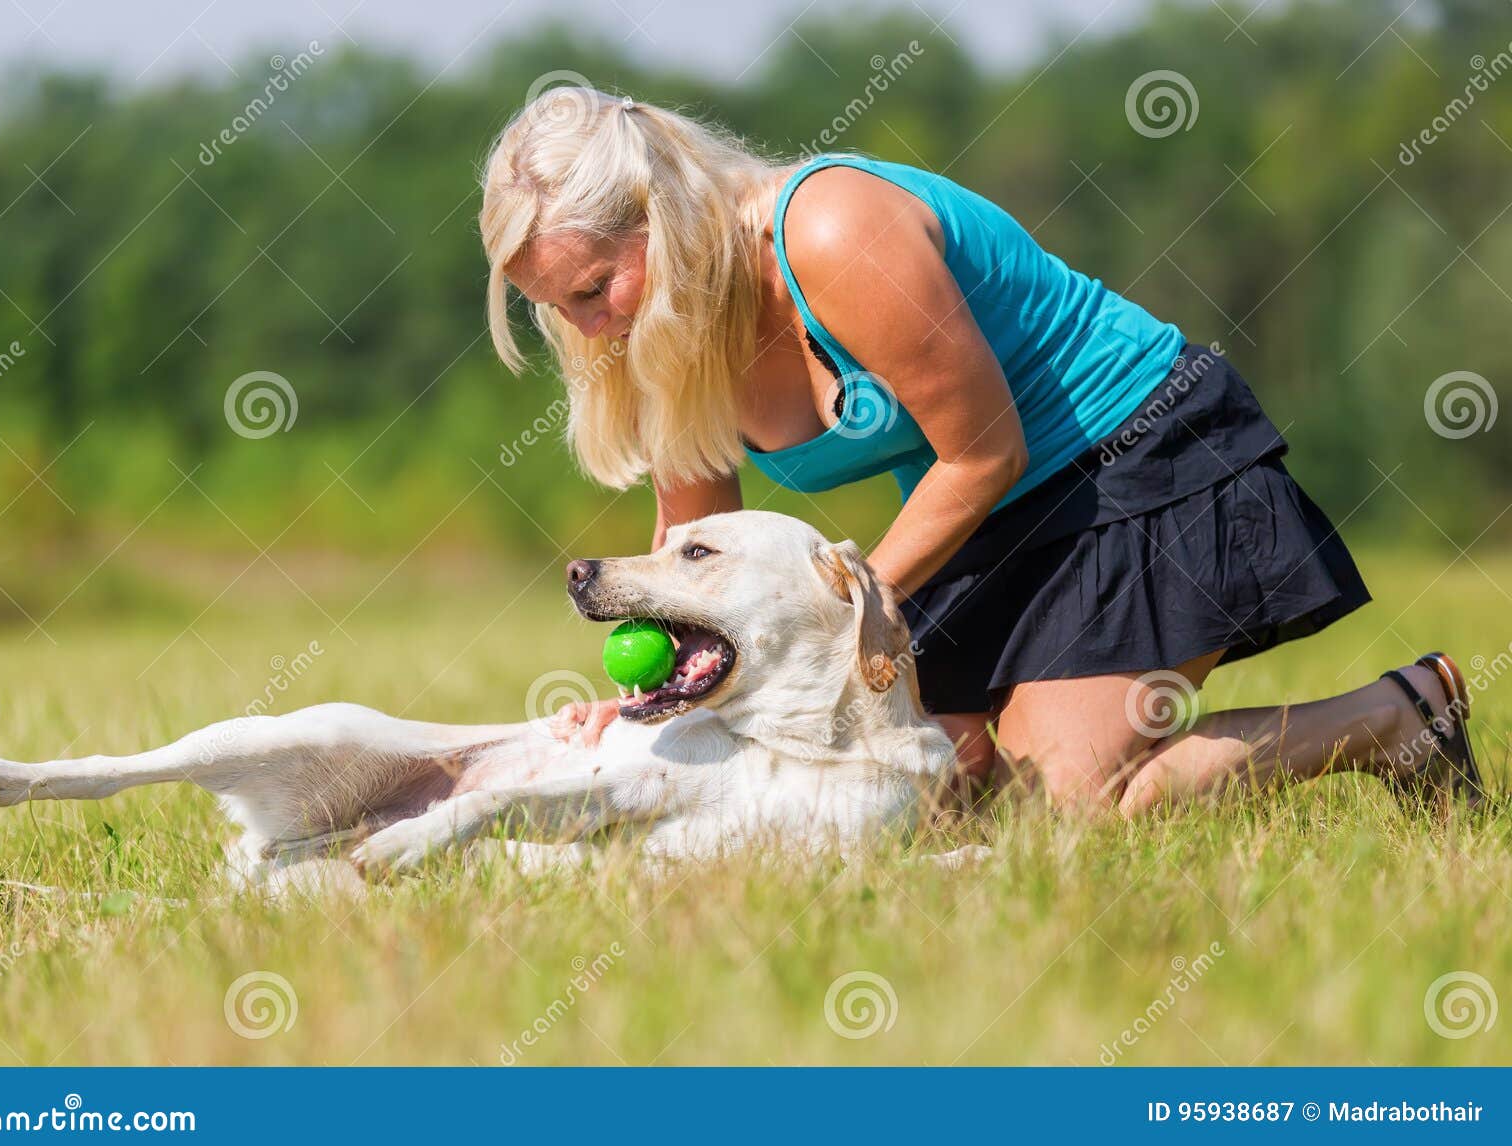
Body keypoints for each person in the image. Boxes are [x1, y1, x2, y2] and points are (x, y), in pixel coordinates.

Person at [476, 87, 1484, 816]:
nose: (586, 327)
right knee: (931, 783)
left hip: (1136, 458)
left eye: (592, 287)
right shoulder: (658, 334)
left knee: (1075, 810)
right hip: (994, 516)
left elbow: (982, 452)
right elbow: (692, 547)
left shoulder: (829, 229)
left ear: (666, 214)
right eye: (552, 305)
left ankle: (1398, 715)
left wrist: (838, 614)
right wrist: (651, 701)